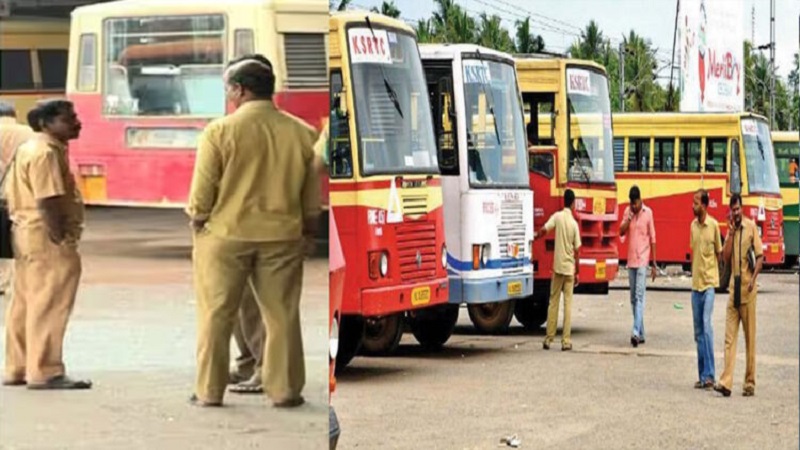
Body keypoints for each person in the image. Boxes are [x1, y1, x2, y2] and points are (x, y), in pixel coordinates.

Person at [187, 54, 320, 407]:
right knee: (281, 315)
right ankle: (285, 391)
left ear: (240, 90)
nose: (227, 93)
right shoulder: (303, 133)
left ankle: (209, 392)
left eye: (228, 87)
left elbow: (202, 192)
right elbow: (310, 197)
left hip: (225, 236)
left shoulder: (219, 131)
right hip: (282, 237)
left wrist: (198, 221)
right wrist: (307, 229)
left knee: (216, 314)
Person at [3, 99, 91, 390]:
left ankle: (18, 366)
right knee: (50, 303)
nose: (76, 122)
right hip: (45, 236)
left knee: (26, 301)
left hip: (25, 233)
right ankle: (45, 369)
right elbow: (47, 200)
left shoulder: (30, 148)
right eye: (68, 119)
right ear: (46, 123)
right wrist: (60, 236)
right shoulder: (45, 153)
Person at [715, 193, 763, 397]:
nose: (735, 213)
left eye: (737, 210)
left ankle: (749, 382)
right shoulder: (731, 231)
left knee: (749, 338)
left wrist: (753, 280)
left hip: (748, 290)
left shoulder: (751, 228)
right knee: (729, 338)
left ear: (741, 209)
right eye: (732, 210)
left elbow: (760, 257)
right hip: (733, 292)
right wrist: (731, 234)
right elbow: (724, 258)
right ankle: (726, 382)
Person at [534, 189, 581, 351]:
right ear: (573, 204)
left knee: (553, 302)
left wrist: (534, 237)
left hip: (558, 268)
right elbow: (577, 250)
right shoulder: (574, 224)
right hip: (569, 269)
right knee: (568, 305)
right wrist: (578, 271)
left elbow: (544, 230)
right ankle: (566, 341)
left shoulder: (557, 217)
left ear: (563, 202)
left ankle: (549, 338)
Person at [0, 102, 35, 295]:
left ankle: (1, 282)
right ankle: (23, 283)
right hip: (25, 195)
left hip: (2, 194)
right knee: (22, 239)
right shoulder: (30, 133)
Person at [689, 188, 722, 390]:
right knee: (698, 332)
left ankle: (710, 374)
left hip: (709, 283)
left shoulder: (714, 226)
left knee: (707, 326)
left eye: (696, 203)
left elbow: (719, 254)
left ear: (704, 205)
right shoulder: (692, 226)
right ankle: (702, 376)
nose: (693, 206)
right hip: (695, 286)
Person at [619, 185, 657, 347]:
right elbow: (620, 232)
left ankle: (635, 331)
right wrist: (628, 218)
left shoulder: (648, 213)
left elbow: (653, 238)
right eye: (631, 204)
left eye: (635, 203)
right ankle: (641, 333)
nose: (634, 206)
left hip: (643, 260)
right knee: (633, 299)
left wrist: (654, 264)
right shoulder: (628, 212)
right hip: (631, 261)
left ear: (640, 200)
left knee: (639, 296)